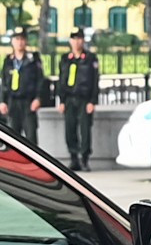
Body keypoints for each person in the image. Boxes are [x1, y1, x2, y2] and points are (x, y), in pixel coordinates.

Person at [54, 28, 100, 171]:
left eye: (79, 38)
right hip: (69, 99)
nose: (76, 42)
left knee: (85, 130)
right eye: (74, 39)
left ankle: (84, 158)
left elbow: (95, 80)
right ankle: (74, 158)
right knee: (70, 129)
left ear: (83, 40)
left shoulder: (90, 58)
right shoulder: (65, 59)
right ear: (70, 41)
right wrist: (61, 100)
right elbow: (61, 80)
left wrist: (92, 101)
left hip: (84, 99)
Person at [3, 30, 44, 145]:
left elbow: (40, 80)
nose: (19, 42)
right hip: (13, 103)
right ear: (12, 41)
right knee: (12, 139)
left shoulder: (33, 59)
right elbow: (4, 83)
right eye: (17, 39)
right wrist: (2, 101)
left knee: (31, 138)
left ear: (26, 41)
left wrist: (38, 98)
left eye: (22, 39)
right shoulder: (8, 61)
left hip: (28, 103)